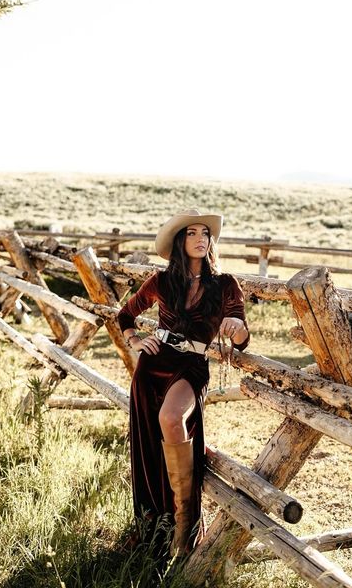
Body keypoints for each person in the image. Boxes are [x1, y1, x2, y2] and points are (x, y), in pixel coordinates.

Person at [117, 208, 249, 557]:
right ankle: (154, 531)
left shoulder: (225, 284)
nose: (200, 238)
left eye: (205, 233)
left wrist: (235, 330)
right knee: (149, 446)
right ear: (180, 241)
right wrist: (135, 340)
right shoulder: (161, 281)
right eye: (191, 233)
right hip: (153, 364)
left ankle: (184, 532)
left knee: (171, 419)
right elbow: (125, 315)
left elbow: (240, 328)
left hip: (192, 365)